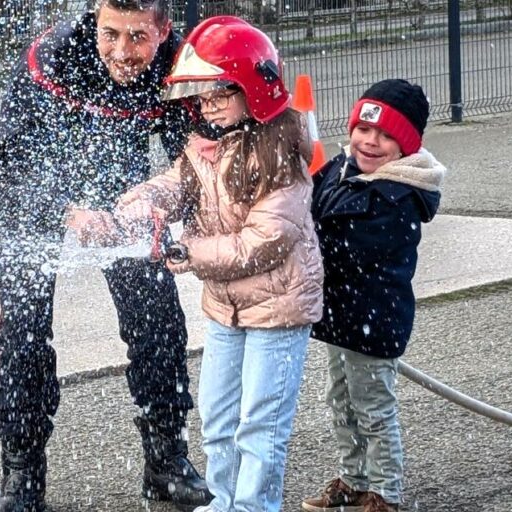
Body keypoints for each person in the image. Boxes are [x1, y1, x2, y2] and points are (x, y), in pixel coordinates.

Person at [0, 0, 212, 510]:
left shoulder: (179, 62)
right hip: (34, 199)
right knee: (23, 332)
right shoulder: (54, 56)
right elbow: (13, 159)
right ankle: (21, 473)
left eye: (137, 37)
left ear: (164, 30)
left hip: (121, 190)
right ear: (94, 20)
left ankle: (166, 461)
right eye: (110, 34)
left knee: (158, 318)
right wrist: (70, 211)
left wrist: (159, 205)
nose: (123, 52)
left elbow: (190, 156)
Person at [91, 16, 324, 512]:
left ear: (255, 88)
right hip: (226, 308)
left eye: (221, 91)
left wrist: (187, 253)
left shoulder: (280, 152)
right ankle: (224, 501)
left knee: (259, 424)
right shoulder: (205, 145)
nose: (208, 103)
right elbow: (174, 185)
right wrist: (135, 208)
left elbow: (263, 242)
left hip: (278, 311)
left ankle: (254, 506)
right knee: (218, 418)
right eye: (202, 93)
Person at [300, 79, 446, 512]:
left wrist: (301, 244)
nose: (371, 141)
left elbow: (349, 245)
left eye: (386, 135)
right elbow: (306, 207)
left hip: (374, 321)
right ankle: (353, 479)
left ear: (404, 146)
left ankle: (385, 493)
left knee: (374, 408)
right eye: (365, 129)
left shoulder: (397, 196)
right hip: (342, 319)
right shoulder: (340, 171)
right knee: (341, 400)